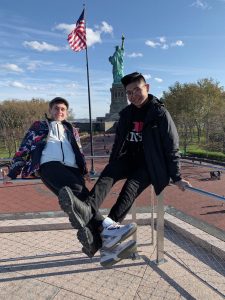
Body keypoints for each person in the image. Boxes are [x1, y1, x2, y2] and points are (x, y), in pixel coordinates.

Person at [58, 72, 191, 260]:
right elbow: (119, 142)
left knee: (129, 190)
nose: (132, 95)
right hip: (129, 158)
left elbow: (172, 146)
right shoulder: (127, 113)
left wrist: (177, 177)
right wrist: (113, 163)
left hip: (149, 164)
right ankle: (88, 210)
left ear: (147, 88)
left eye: (137, 90)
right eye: (129, 93)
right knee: (109, 173)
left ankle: (104, 232)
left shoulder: (160, 113)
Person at [4, 97, 137, 267]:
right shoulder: (39, 126)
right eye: (57, 109)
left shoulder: (71, 129)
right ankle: (108, 227)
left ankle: (105, 249)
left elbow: (79, 152)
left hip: (73, 169)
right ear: (50, 110)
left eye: (63, 110)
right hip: (49, 165)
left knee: (84, 202)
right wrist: (13, 172)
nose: (60, 112)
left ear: (66, 113)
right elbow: (24, 148)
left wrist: (84, 171)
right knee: (80, 195)